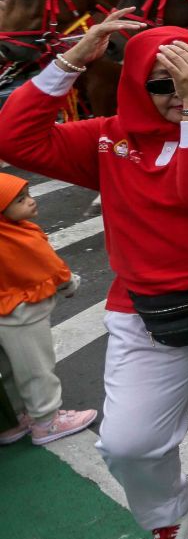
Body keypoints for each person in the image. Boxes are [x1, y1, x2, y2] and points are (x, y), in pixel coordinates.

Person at [0, 10, 188, 539]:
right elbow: (13, 137)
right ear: (133, 84)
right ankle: (170, 513)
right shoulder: (107, 137)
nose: (177, 94)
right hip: (143, 308)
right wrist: (73, 59)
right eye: (161, 83)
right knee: (126, 442)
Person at [0, 174, 95, 447]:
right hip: (24, 312)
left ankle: (13, 418)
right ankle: (47, 420)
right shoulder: (21, 236)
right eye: (20, 200)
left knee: (6, 369)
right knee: (36, 367)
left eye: (28, 195)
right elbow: (53, 268)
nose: (31, 202)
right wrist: (69, 285)